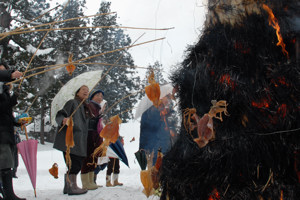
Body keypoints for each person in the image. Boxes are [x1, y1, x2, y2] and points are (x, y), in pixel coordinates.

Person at [53, 85, 91, 196]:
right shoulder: (72, 102)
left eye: (87, 90)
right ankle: (72, 187)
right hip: (71, 139)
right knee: (75, 164)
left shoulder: (85, 107)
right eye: (83, 89)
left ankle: (68, 186)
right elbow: (60, 114)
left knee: (75, 163)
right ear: (77, 92)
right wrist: (63, 120)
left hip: (80, 140)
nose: (86, 91)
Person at [0, 62, 25, 200]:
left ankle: (8, 193)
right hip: (1, 134)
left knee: (6, 164)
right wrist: (14, 99)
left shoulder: (4, 91)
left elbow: (6, 113)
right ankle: (9, 194)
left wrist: (17, 122)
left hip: (6, 132)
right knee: (5, 163)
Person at [139, 93, 177, 164]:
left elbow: (174, 129)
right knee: (156, 168)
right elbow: (144, 132)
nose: (167, 100)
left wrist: (171, 127)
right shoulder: (148, 114)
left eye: (168, 98)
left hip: (169, 147)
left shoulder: (169, 112)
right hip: (154, 147)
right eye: (166, 98)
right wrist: (142, 148)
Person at [80, 89, 105, 190]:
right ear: (92, 96)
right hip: (90, 135)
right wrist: (96, 118)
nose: (100, 98)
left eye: (101, 96)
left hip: (96, 135)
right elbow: (87, 119)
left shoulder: (97, 107)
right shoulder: (89, 105)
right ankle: (86, 183)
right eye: (98, 95)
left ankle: (91, 181)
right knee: (88, 157)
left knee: (94, 157)